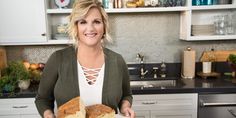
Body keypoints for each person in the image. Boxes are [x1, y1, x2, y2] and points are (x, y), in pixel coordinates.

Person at [35, 0, 135, 118]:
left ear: (104, 26)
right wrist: (48, 115)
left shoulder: (117, 61)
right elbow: (42, 99)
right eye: (83, 22)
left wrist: (125, 107)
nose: (90, 28)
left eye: (96, 22)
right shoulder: (58, 59)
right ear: (76, 27)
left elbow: (126, 95)